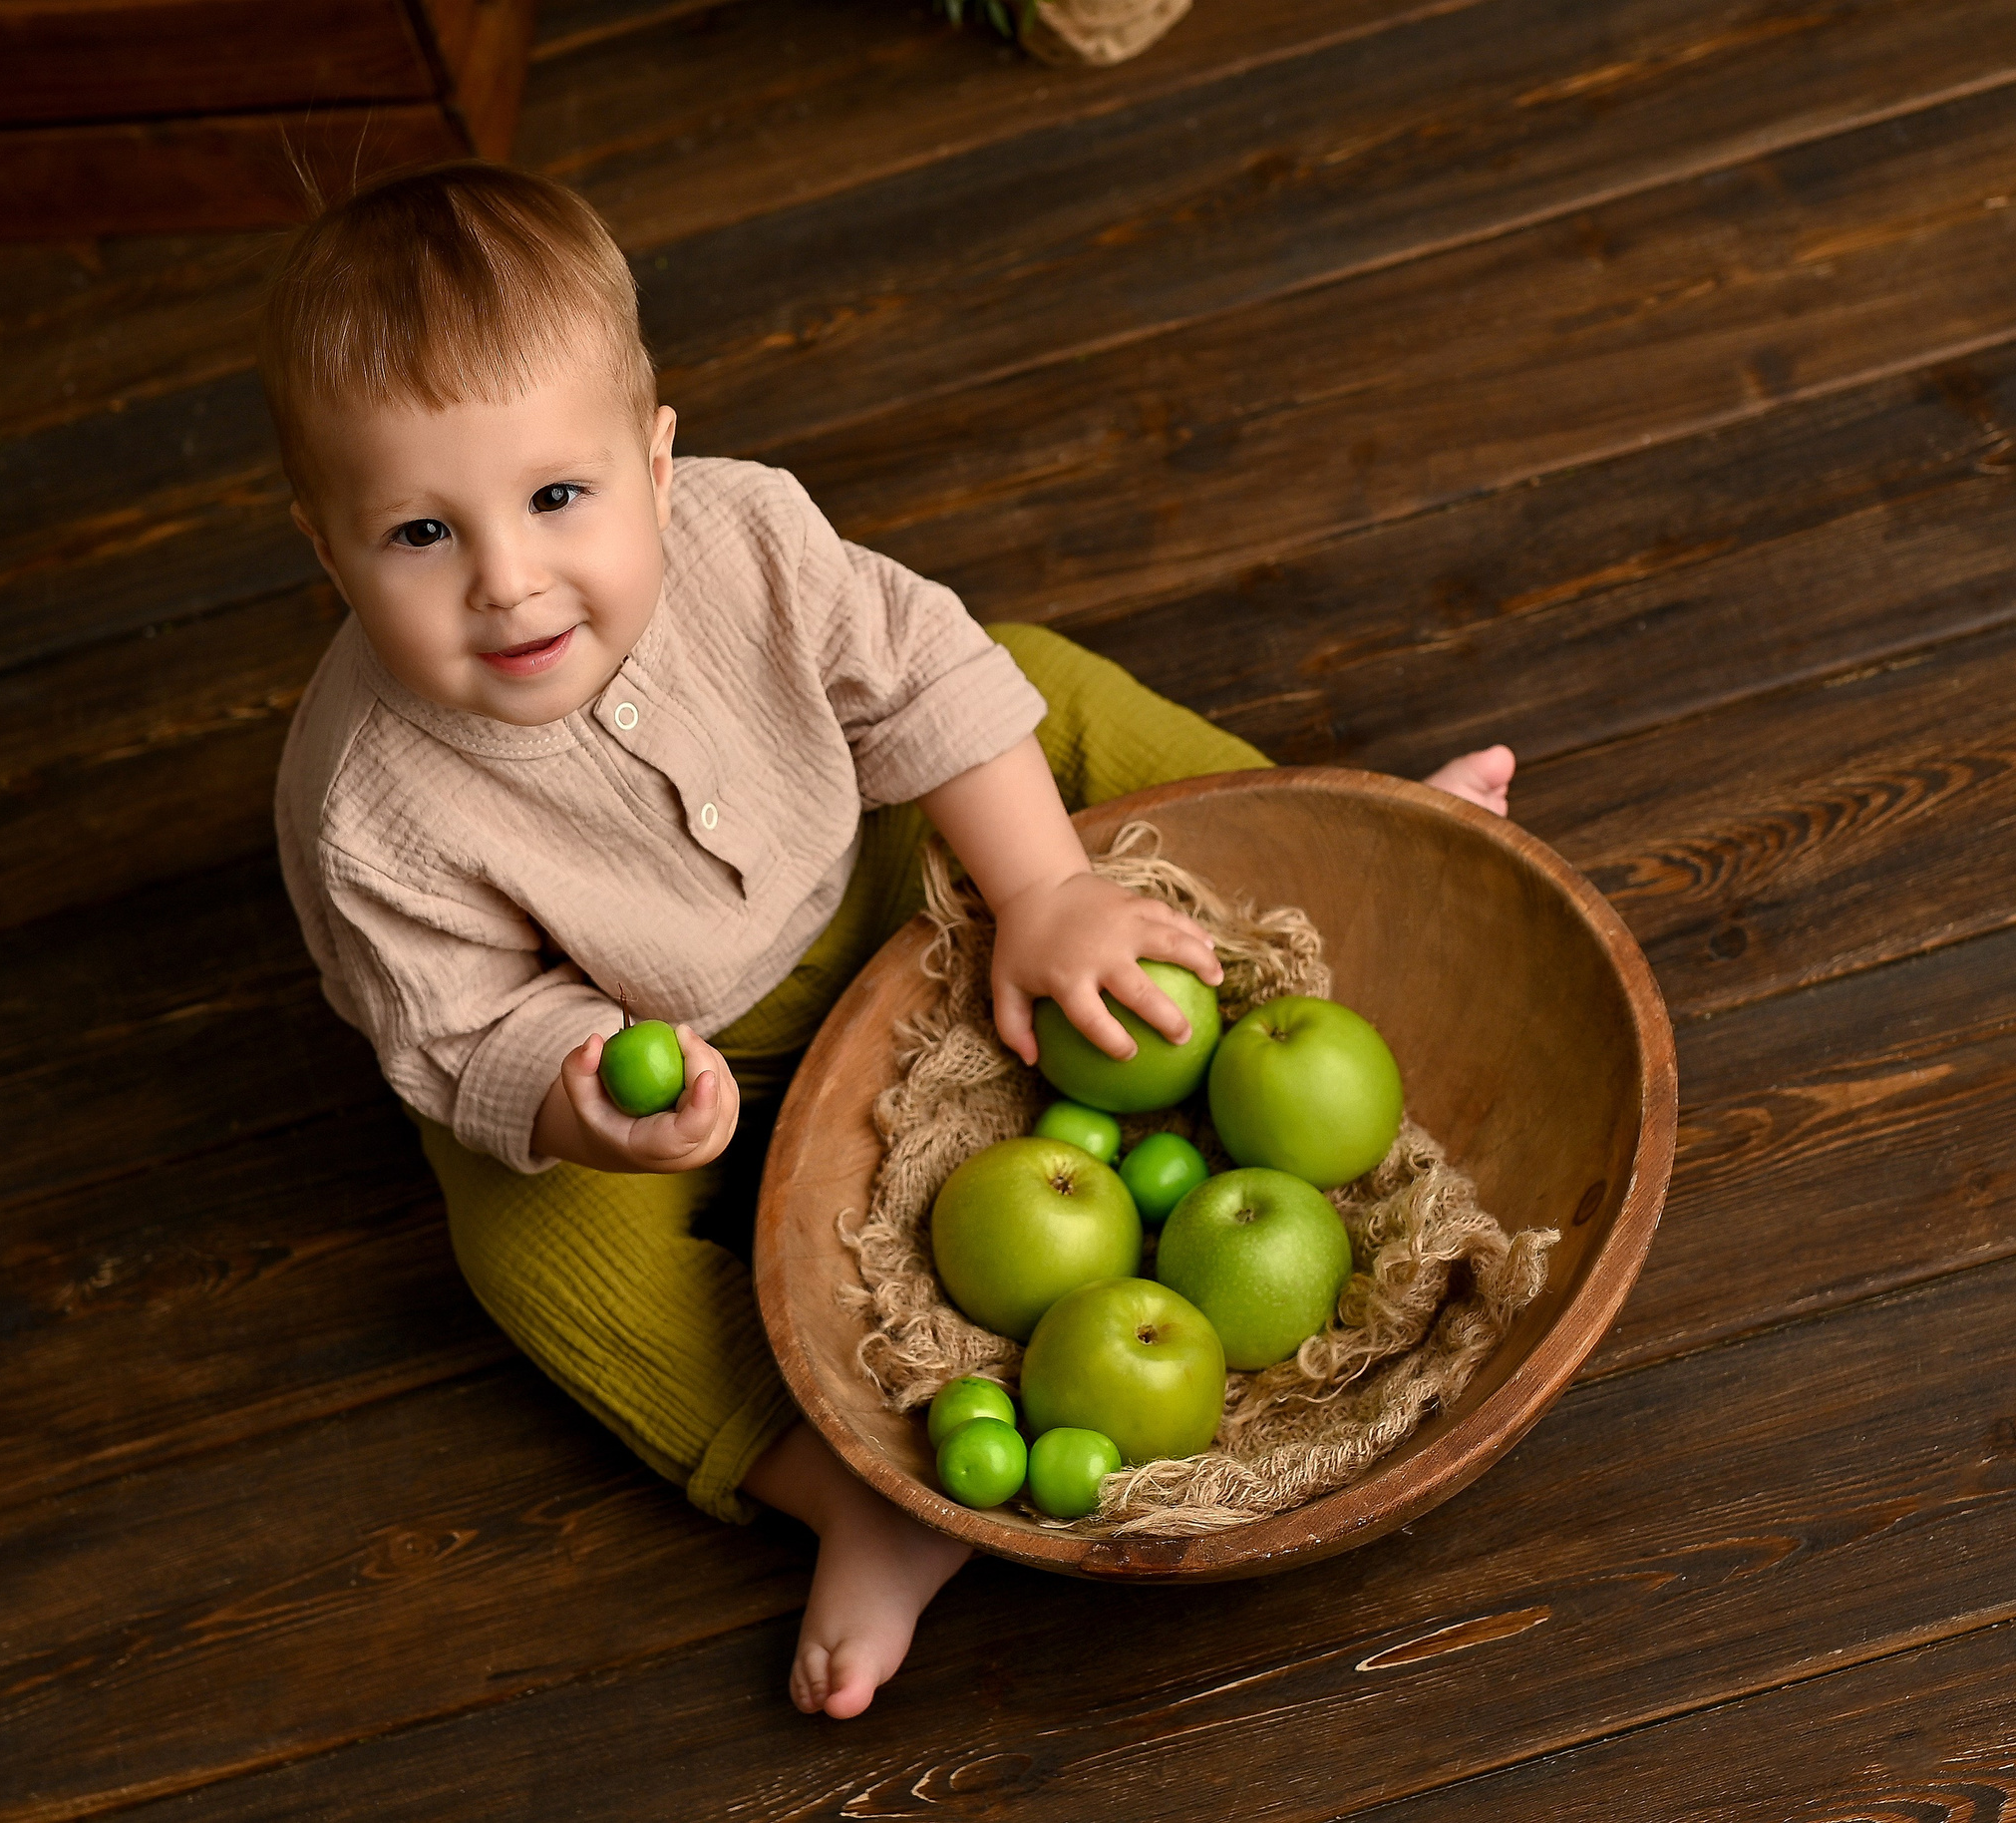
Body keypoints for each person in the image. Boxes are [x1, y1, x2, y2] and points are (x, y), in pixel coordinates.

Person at [262, 161, 1515, 1720]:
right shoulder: (366, 808)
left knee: (1030, 682)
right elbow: (450, 1020)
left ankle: (1326, 833)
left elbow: (920, 675)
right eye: (420, 533)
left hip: (874, 859)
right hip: (653, 1039)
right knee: (521, 1245)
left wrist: (1042, 888)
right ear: (326, 551)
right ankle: (842, 1494)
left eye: (557, 498)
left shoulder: (754, 538)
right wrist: (577, 1092)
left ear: (657, 467)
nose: (508, 579)